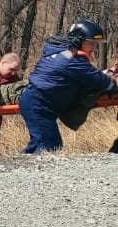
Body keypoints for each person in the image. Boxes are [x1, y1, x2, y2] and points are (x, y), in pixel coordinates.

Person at [18, 19, 118, 154]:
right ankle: (26, 172)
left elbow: (87, 74)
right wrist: (112, 83)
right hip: (39, 104)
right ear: (78, 40)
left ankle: (23, 169)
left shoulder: (62, 52)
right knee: (49, 146)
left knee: (42, 144)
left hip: (37, 101)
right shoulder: (73, 59)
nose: (94, 48)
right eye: (91, 44)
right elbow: (101, 81)